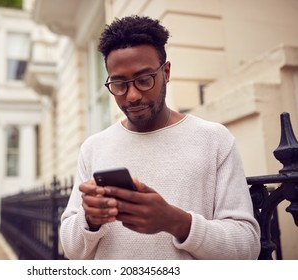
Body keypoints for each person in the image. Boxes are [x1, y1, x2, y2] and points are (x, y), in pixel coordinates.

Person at [60, 15, 260, 259]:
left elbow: (247, 246)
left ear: (166, 72)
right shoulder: (93, 147)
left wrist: (176, 222)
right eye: (119, 84)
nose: (132, 95)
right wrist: (90, 219)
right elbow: (71, 250)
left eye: (144, 80)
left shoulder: (214, 139)